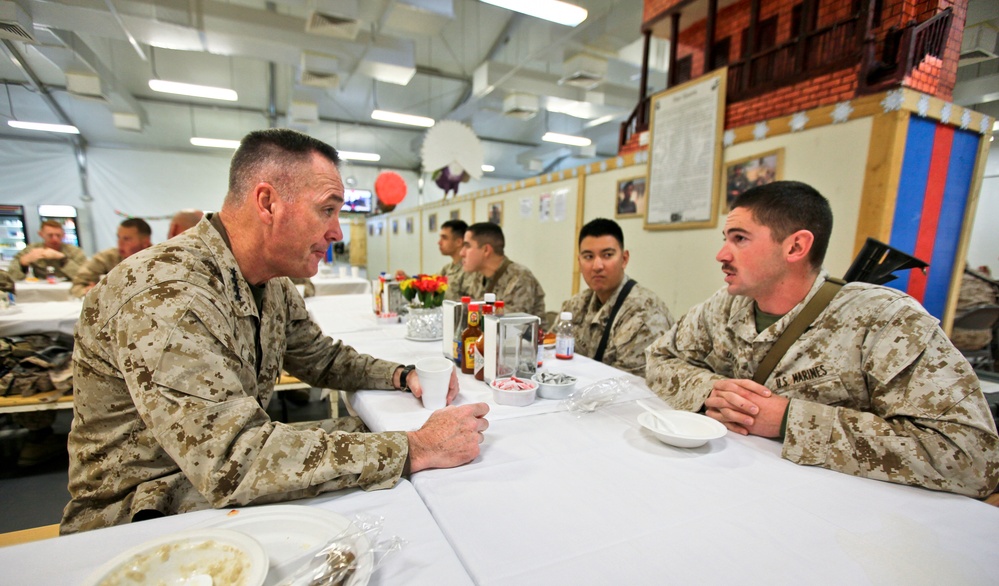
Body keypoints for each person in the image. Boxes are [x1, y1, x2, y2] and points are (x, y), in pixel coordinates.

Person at [62, 128, 489, 534]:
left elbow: (320, 357)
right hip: (140, 509)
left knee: (374, 452)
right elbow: (234, 461)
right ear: (267, 203)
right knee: (390, 503)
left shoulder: (270, 282)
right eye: (327, 209)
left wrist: (401, 375)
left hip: (203, 475)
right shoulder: (170, 295)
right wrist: (416, 447)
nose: (337, 232)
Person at [645, 181, 999, 498]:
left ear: (796, 246)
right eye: (726, 239)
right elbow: (659, 358)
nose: (722, 254)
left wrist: (789, 420)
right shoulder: (725, 306)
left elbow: (973, 457)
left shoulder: (885, 320)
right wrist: (712, 390)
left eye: (739, 238)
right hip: (731, 489)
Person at [561, 218, 673, 376]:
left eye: (607, 255)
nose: (597, 266)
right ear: (579, 262)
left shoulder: (644, 314)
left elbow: (630, 386)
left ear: (624, 259)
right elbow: (551, 351)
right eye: (588, 257)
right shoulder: (576, 304)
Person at [460, 222, 545, 321]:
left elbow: (513, 322)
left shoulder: (520, 277)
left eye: (467, 246)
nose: (461, 253)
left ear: (486, 250)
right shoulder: (476, 276)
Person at [395, 219, 478, 301]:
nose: (439, 242)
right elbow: (429, 284)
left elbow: (471, 304)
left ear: (459, 242)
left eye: (444, 238)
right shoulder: (447, 268)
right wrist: (407, 279)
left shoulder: (469, 270)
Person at [70, 218, 153, 298]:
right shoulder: (107, 257)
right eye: (118, 237)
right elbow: (78, 283)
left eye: (126, 239)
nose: (120, 243)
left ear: (145, 242)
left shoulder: (159, 259)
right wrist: (87, 291)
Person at [7, 220, 87, 281]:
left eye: (58, 235)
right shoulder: (32, 249)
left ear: (63, 235)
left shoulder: (74, 251)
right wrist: (22, 264)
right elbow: (12, 277)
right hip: (40, 290)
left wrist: (63, 259)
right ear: (41, 234)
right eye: (50, 235)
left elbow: (85, 277)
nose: (55, 239)